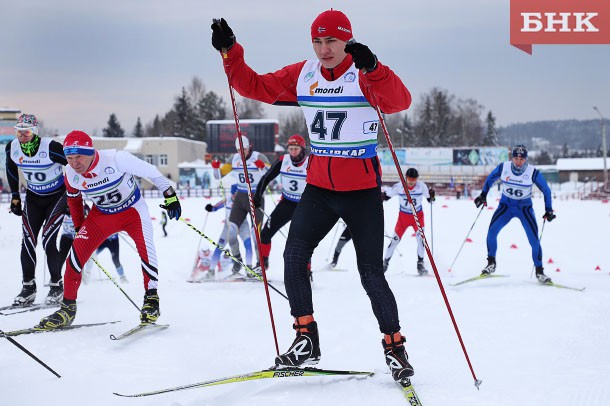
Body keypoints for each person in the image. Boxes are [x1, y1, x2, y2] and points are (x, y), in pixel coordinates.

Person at [211, 9, 414, 382]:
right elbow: (255, 86)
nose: (324, 49)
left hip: (361, 193)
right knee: (294, 255)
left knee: (370, 273)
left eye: (332, 41)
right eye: (318, 41)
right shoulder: (303, 74)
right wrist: (231, 53)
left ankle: (395, 347)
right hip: (319, 189)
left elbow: (399, 101)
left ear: (347, 40)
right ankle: (306, 338)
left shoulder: (364, 73)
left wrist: (375, 68)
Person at [37, 130, 181, 330]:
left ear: (90, 152)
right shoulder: (70, 173)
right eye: (69, 158)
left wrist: (170, 195)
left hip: (132, 211)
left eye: (78, 157)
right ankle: (67, 309)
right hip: (102, 216)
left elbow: (151, 172)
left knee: (147, 250)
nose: (74, 163)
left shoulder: (116, 159)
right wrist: (80, 227)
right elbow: (74, 200)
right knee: (74, 257)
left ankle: (151, 301)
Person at [5, 113, 67, 306]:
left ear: (35, 132)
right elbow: (10, 169)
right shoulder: (13, 147)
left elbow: (72, 166)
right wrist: (15, 196)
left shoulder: (51, 147)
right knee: (28, 241)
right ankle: (28, 287)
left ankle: (57, 286)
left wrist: (75, 198)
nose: (22, 136)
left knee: (48, 240)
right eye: (19, 132)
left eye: (27, 132)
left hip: (56, 197)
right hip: (33, 198)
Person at [474, 145, 555, 284]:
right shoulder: (504, 167)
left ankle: (539, 271)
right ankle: (491, 263)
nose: (518, 162)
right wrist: (483, 195)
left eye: (521, 159)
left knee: (534, 240)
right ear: (512, 158)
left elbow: (546, 190)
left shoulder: (532, 172)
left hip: (524, 209)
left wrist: (549, 209)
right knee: (492, 232)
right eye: (516, 158)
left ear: (526, 159)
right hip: (506, 206)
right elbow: (490, 179)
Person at [211, 136, 269, 275]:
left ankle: (259, 265)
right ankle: (237, 261)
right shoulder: (234, 159)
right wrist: (215, 168)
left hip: (256, 197)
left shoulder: (259, 156)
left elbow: (270, 174)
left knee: (256, 235)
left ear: (250, 147)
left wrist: (263, 168)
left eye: (244, 149)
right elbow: (219, 175)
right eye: (238, 149)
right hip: (240, 197)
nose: (241, 152)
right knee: (231, 233)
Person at [253, 134, 309, 269]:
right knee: (265, 233)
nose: (293, 152)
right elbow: (266, 178)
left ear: (302, 149)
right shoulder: (283, 160)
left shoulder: (311, 162)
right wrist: (257, 195)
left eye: (296, 148)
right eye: (291, 149)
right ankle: (263, 264)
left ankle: (306, 269)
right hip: (287, 204)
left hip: (305, 206)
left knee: (303, 240)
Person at [382, 168, 435, 275]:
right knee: (394, 241)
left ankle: (420, 264)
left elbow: (431, 201)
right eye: (409, 179)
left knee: (421, 240)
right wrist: (379, 197)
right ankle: (384, 264)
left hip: (418, 218)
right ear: (406, 178)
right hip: (403, 218)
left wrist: (432, 196)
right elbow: (386, 196)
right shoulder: (399, 186)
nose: (411, 182)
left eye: (414, 179)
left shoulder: (422, 186)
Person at [204, 183, 253, 277]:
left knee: (248, 245)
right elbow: (215, 207)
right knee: (219, 248)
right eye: (234, 195)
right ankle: (211, 271)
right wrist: (210, 208)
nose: (235, 197)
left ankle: (249, 269)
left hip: (243, 225)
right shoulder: (227, 199)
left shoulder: (244, 199)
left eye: (237, 195)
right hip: (229, 226)